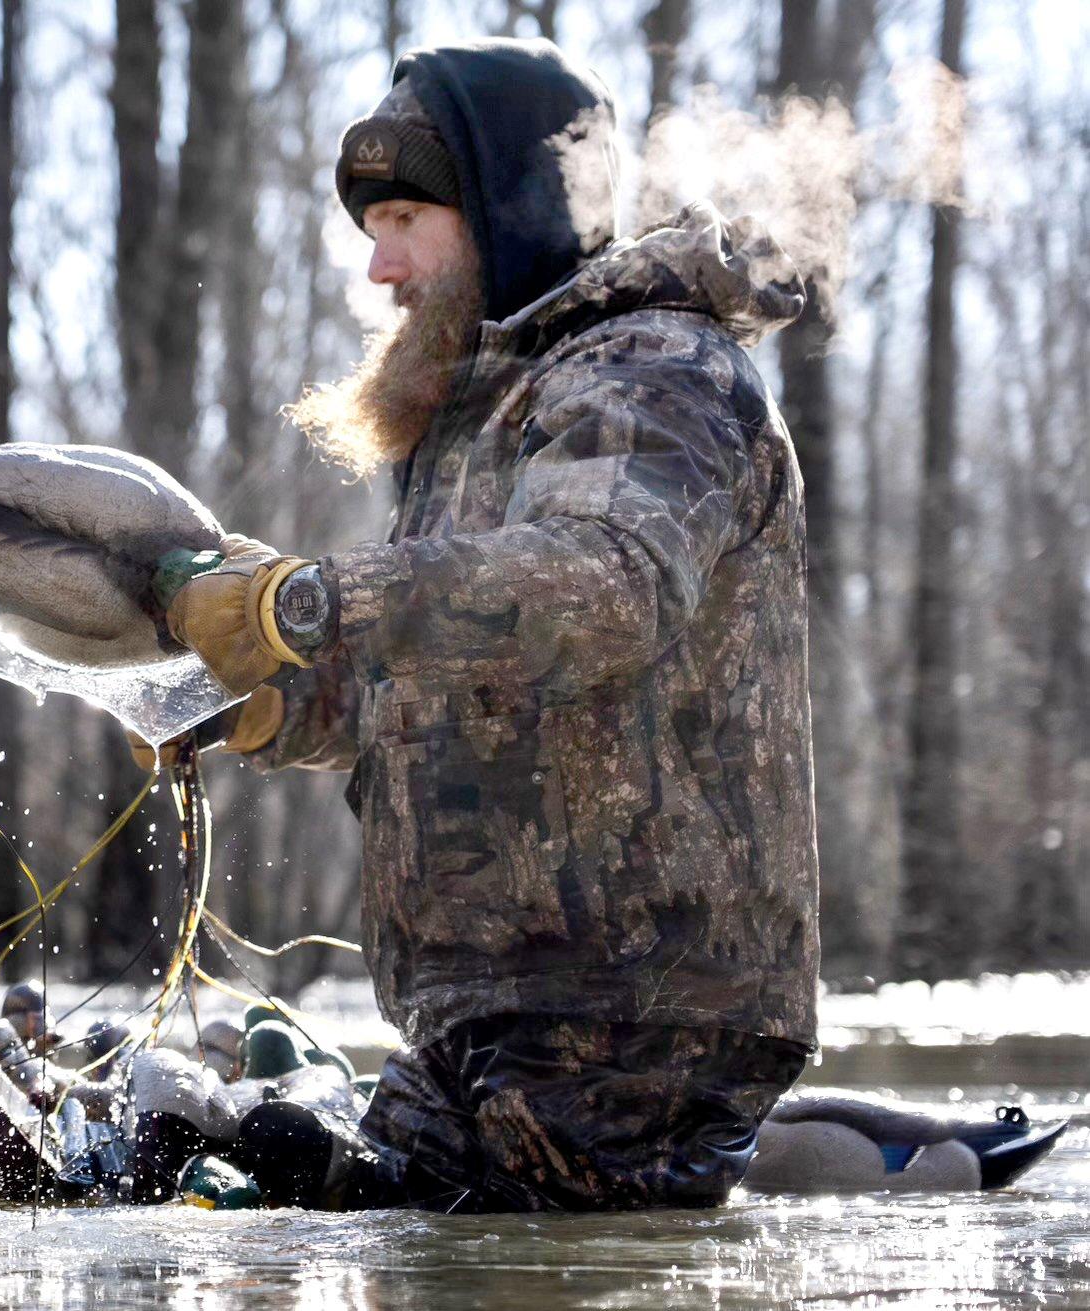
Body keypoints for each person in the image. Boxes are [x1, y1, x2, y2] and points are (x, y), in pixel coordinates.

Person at [148, 37, 819, 1212]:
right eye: (370, 228)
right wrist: (263, 704)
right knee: (265, 1196)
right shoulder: (481, 412)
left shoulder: (650, 367)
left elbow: (600, 586)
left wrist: (301, 604)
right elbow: (442, 682)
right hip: (484, 1020)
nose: (379, 267)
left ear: (512, 207)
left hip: (632, 1024)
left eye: (404, 215)